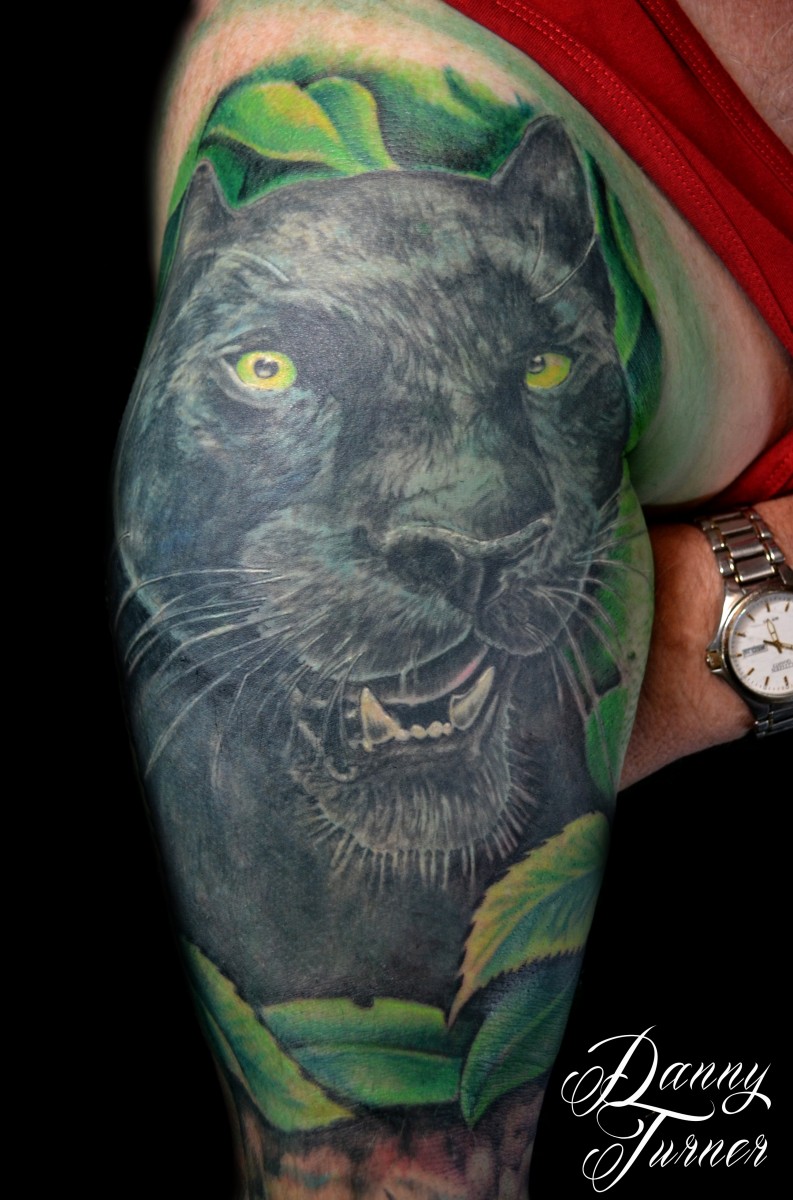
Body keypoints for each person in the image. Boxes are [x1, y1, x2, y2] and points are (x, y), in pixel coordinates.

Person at [111, 2, 790, 1195]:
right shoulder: (396, 153)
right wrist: (718, 618)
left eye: (540, 365)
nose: (464, 513)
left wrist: (685, 617)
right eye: (271, 369)